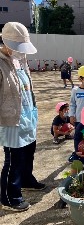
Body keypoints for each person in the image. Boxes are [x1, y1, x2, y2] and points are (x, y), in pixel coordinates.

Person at [0, 22, 46, 212]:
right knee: (14, 159)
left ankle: (26, 180)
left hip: (27, 116)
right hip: (11, 121)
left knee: (28, 152)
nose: (21, 51)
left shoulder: (21, 59)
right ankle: (10, 197)